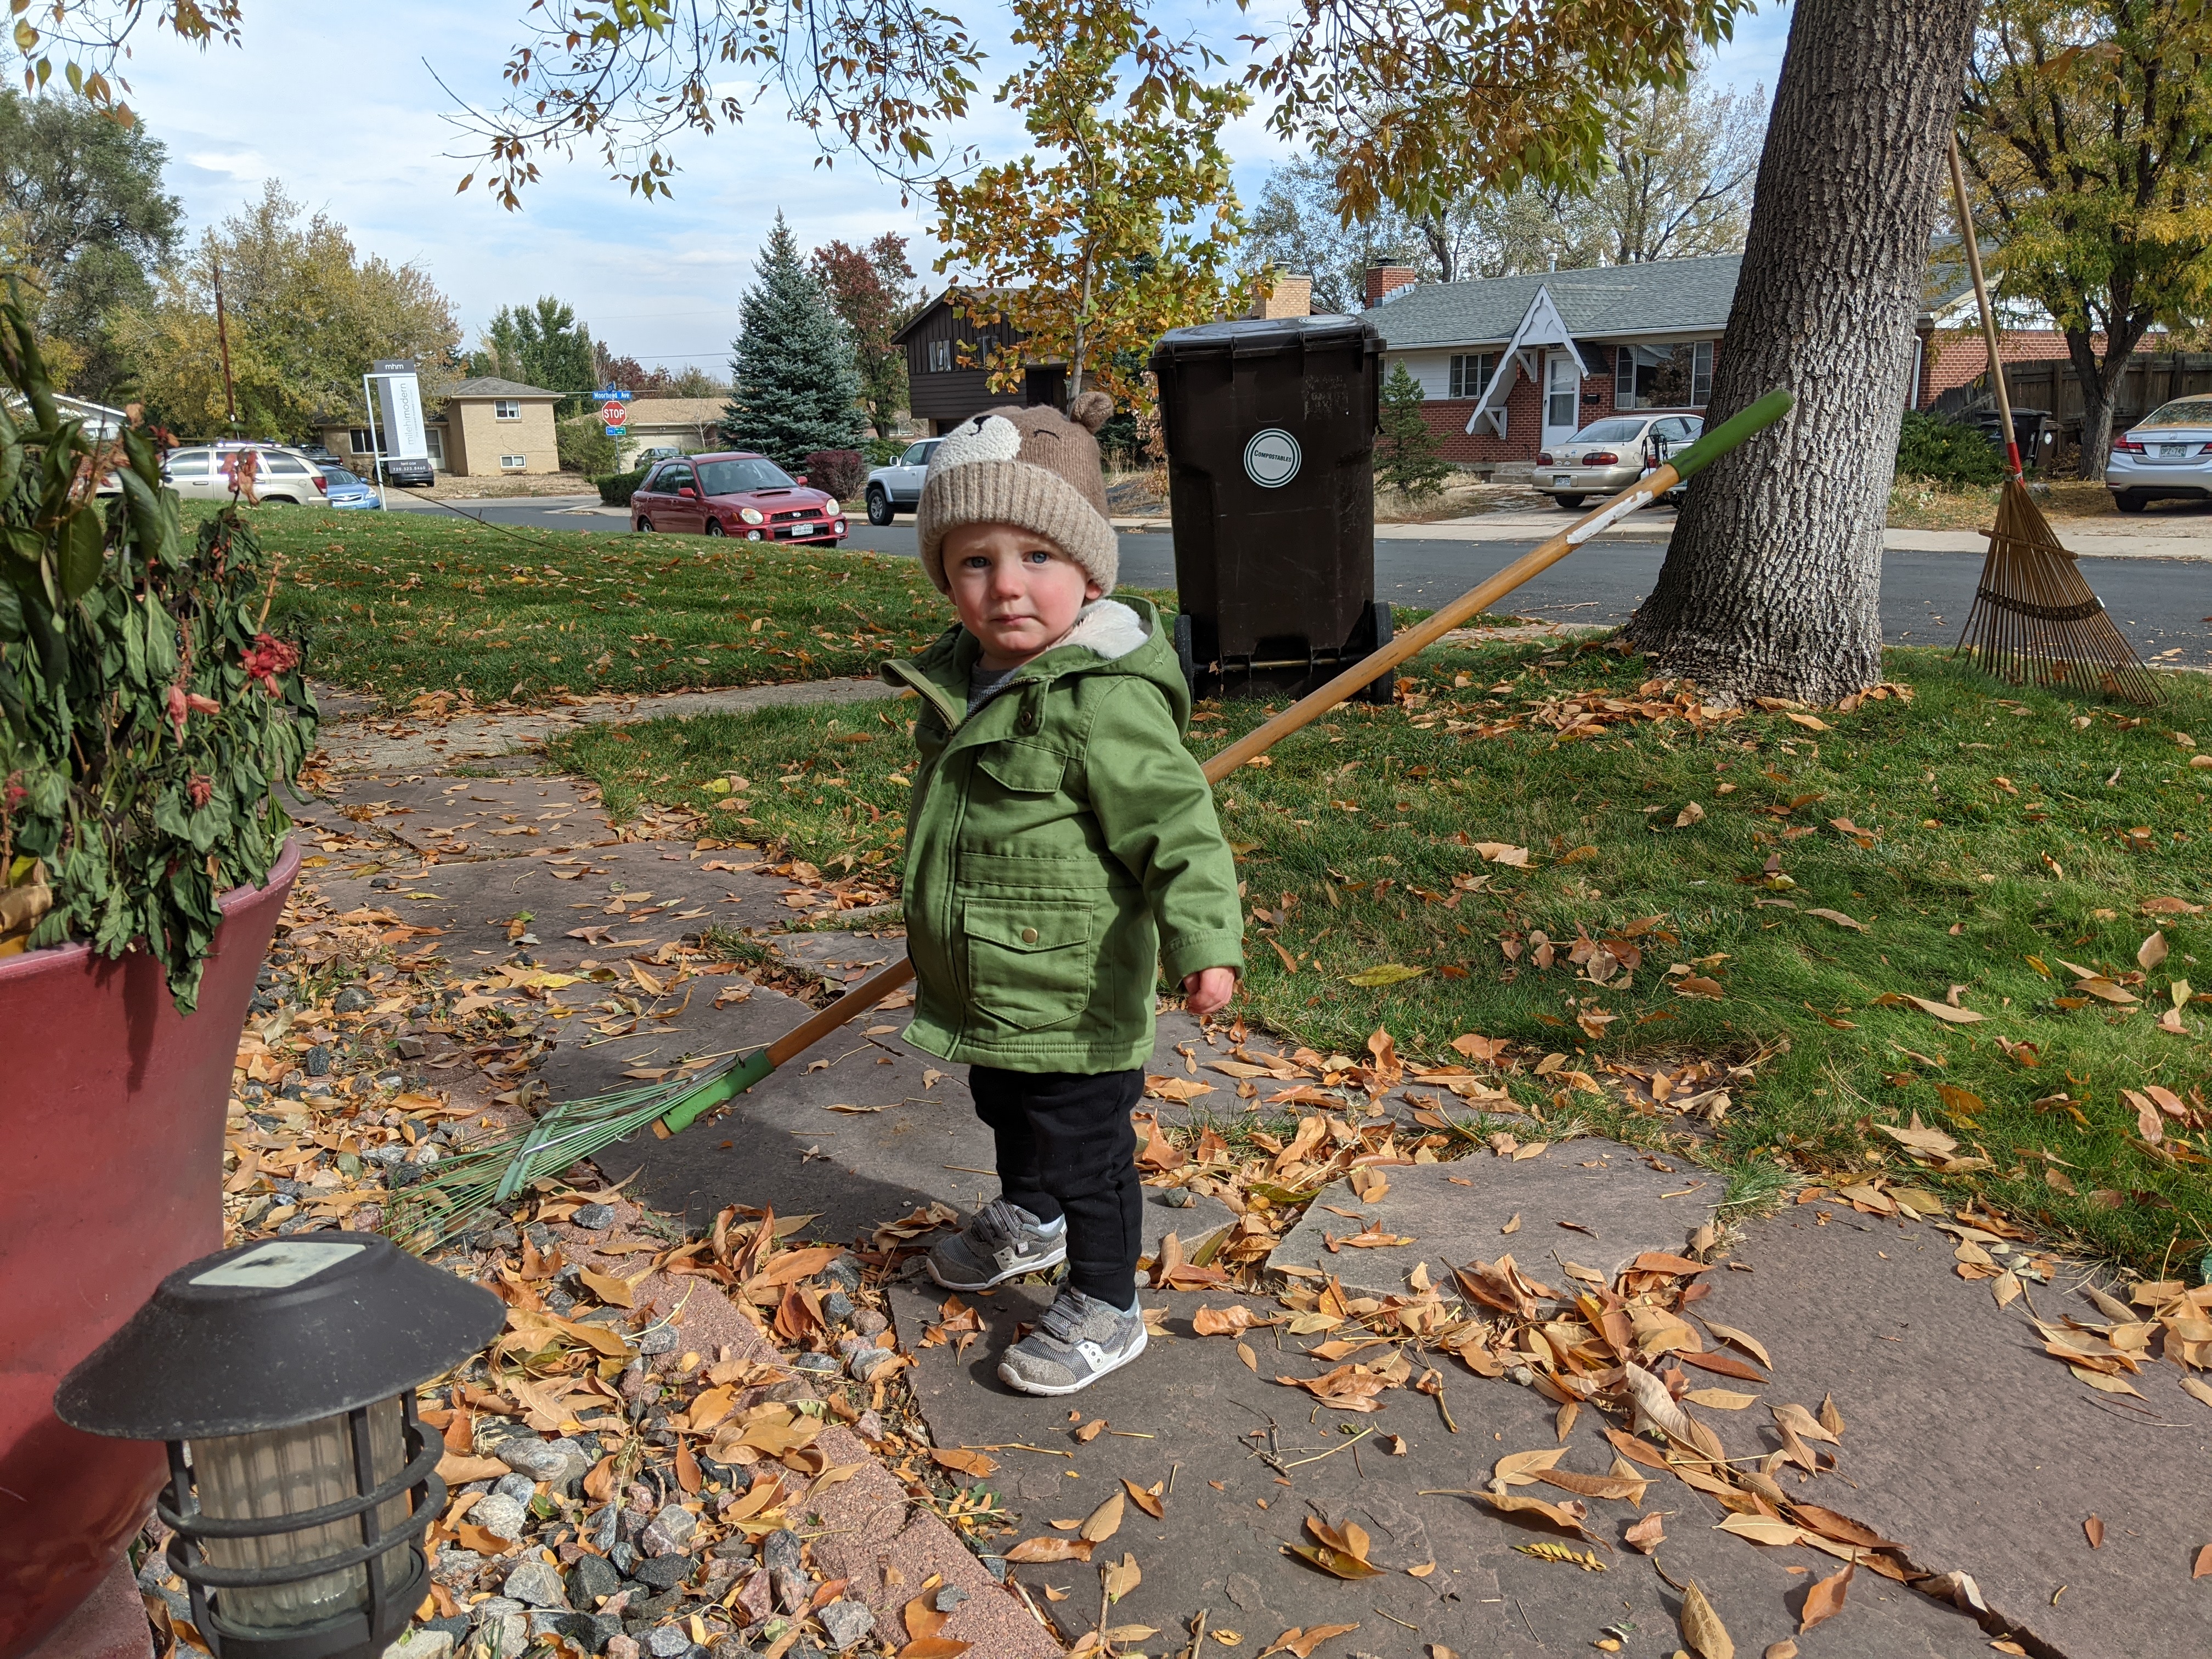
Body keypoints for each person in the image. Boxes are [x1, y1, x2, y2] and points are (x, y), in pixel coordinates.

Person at [879, 391, 1244, 1396]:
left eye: (1037, 556)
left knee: (1086, 1151)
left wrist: (1205, 942)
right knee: (1007, 1108)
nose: (1006, 586)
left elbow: (1179, 828)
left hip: (1074, 988)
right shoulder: (966, 680)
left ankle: (1107, 1304)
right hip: (993, 977)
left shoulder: (1104, 697)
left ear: (1089, 572)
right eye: (975, 562)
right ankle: (1031, 1221)